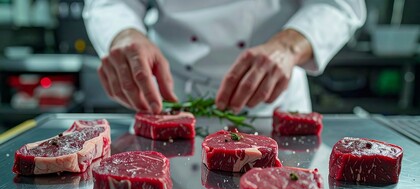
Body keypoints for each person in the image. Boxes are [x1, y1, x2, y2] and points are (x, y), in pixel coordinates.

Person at [83, 0, 366, 116]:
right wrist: (123, 34)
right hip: (171, 94)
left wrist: (288, 47)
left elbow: (340, 4)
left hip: (272, 101)